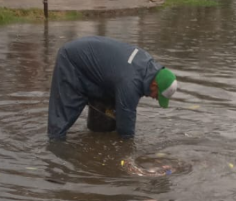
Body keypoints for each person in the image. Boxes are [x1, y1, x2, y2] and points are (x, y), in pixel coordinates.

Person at [47, 36, 178, 141]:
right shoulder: (131, 82)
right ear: (154, 85)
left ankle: (97, 134)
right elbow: (126, 121)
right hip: (72, 59)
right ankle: (54, 150)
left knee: (109, 109)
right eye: (157, 95)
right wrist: (128, 148)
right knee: (63, 113)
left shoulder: (147, 64)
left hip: (95, 65)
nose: (154, 98)